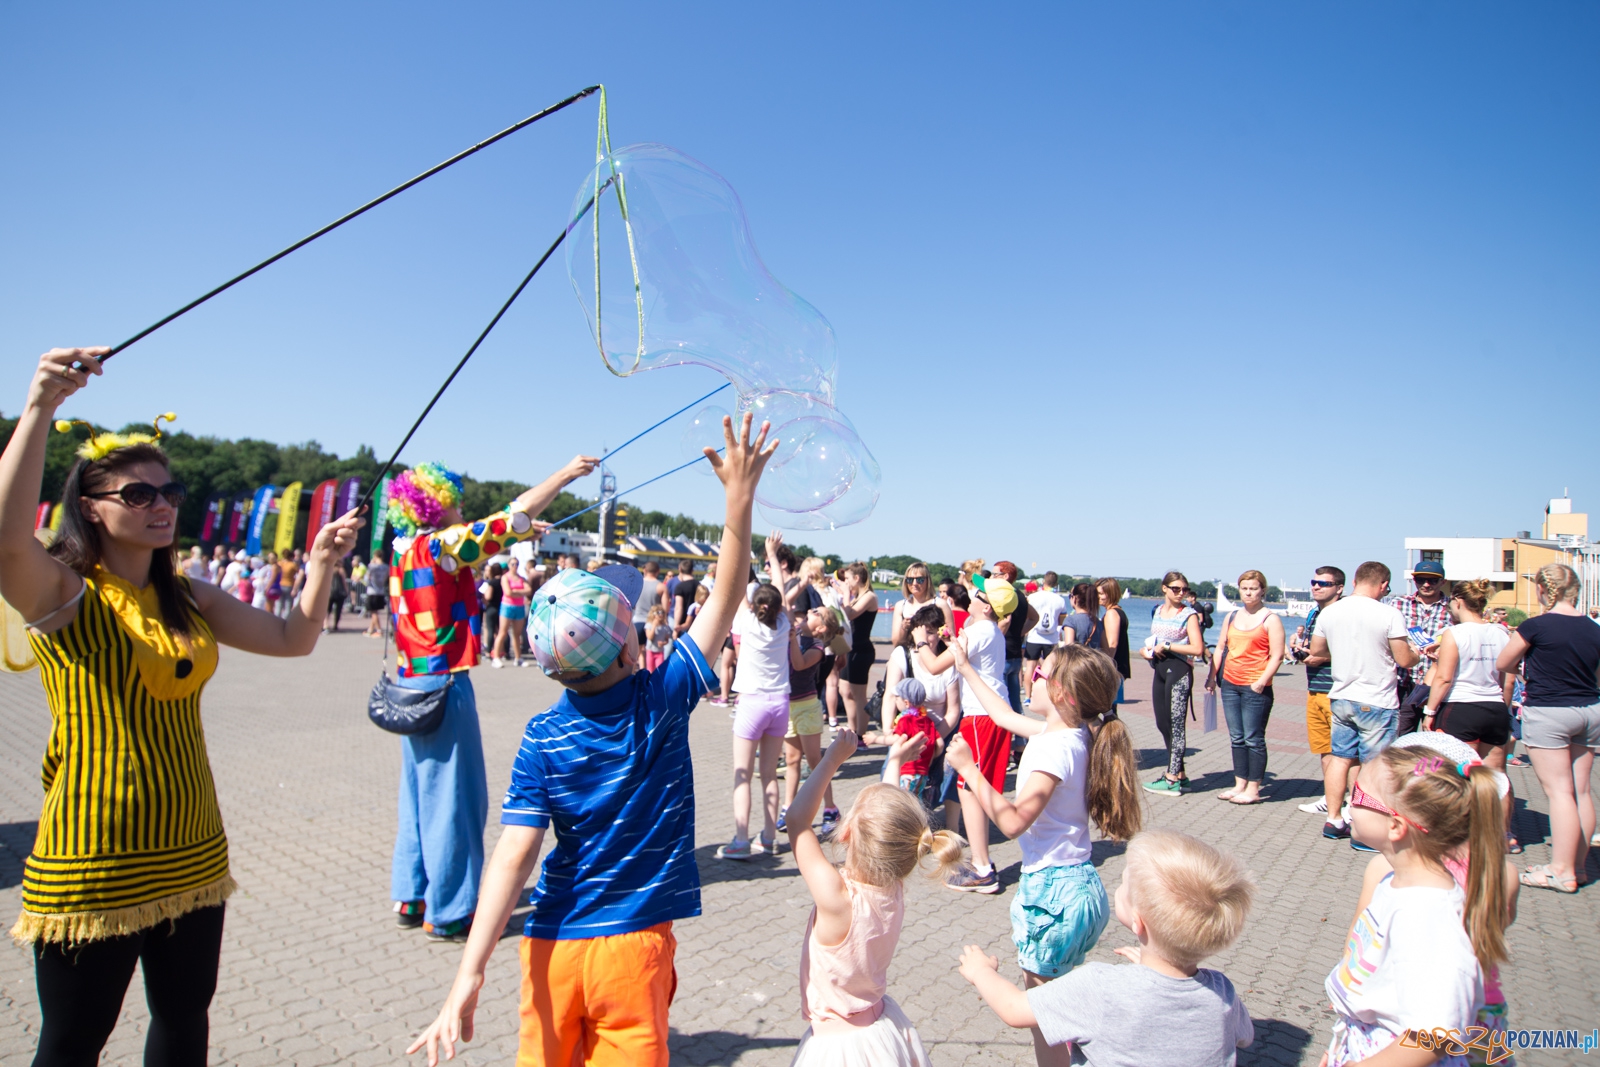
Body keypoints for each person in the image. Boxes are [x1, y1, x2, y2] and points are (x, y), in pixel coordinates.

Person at [0, 347, 362, 1065]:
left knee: (183, 1024)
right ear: (92, 509)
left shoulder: (189, 593)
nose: (161, 503)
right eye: (137, 495)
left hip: (192, 846)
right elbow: (7, 541)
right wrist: (40, 405)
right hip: (92, 857)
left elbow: (293, 639)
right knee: (72, 1041)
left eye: (168, 491)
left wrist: (320, 564)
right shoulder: (64, 593)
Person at [408, 413, 773, 1067]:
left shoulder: (541, 735)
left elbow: (513, 857)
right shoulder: (662, 699)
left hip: (549, 947)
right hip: (630, 950)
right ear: (632, 645)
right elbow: (728, 589)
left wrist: (469, 971)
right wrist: (738, 497)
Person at [385, 456, 590, 942]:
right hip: (444, 684)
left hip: (410, 683)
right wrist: (563, 476)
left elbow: (496, 535)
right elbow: (508, 518)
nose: (462, 511)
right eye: (455, 504)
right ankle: (452, 909)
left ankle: (413, 894)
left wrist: (516, 533)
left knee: (417, 795)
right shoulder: (439, 547)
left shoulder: (405, 550)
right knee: (454, 800)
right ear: (437, 509)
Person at [946, 643, 1142, 1067]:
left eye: (1041, 672)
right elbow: (1002, 716)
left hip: (1053, 893)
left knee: (1044, 1019)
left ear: (1063, 695)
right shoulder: (1071, 733)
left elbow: (1014, 821)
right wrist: (966, 669)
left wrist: (968, 770)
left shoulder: (1055, 749)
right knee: (1060, 1005)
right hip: (1078, 887)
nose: (1032, 673)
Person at [958, 830, 1254, 1067]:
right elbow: (1245, 1038)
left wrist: (981, 972)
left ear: (1138, 923)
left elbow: (1014, 1010)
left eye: (1124, 884)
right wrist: (1154, 971)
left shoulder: (1102, 987)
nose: (1118, 887)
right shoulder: (1222, 993)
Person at [785, 727, 962, 1066]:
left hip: (837, 1048)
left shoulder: (839, 899)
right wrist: (895, 758)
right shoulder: (892, 885)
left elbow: (797, 821)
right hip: (880, 1028)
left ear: (847, 831)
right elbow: (893, 822)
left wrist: (832, 758)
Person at [1321, 745, 1507, 1066]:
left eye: (1358, 797)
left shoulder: (1426, 912)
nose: (1349, 805)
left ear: (1396, 825)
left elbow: (1433, 1036)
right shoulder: (1394, 882)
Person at [1495, 562, 1600, 894]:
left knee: (1559, 793)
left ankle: (1560, 870)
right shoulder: (1594, 628)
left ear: (1542, 590)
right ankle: (1579, 867)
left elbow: (1504, 662)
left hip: (1550, 710)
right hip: (1590, 710)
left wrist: (1527, 674)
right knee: (1581, 790)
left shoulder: (1535, 626)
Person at [917, 572, 1018, 893]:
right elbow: (959, 651)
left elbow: (934, 666)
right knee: (969, 788)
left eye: (979, 594)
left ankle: (983, 867)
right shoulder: (987, 629)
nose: (972, 594)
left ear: (987, 607)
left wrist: (920, 640)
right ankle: (981, 863)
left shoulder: (982, 630)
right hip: (987, 714)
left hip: (981, 718)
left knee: (971, 788)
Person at [1307, 562, 1420, 846]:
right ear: (1383, 585)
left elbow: (1318, 650)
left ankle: (1334, 819)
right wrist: (1418, 652)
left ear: (1355, 580)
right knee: (1373, 766)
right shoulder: (1389, 613)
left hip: (1341, 695)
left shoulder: (1330, 612)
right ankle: (1364, 829)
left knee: (1340, 758)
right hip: (1376, 699)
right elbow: (1404, 659)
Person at [1423, 578, 1518, 849]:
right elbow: (1508, 680)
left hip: (1461, 707)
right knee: (1497, 774)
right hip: (1495, 707)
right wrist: (1504, 709)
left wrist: (1430, 711)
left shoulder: (1455, 633)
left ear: (1458, 602)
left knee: (1458, 773)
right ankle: (1504, 835)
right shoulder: (1501, 633)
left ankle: (1458, 834)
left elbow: (1443, 678)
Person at [718, 538, 795, 859]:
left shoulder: (746, 621)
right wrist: (772, 555)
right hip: (780, 704)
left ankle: (740, 840)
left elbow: (733, 587)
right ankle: (767, 837)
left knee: (742, 774)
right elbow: (777, 586)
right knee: (768, 775)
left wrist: (737, 547)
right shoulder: (784, 622)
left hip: (751, 703)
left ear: (753, 606)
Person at [1205, 570, 1285, 806]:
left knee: (1253, 738)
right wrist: (1212, 676)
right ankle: (1239, 783)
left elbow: (1277, 655)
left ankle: (1253, 788)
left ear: (1262, 591)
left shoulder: (1270, 619)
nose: (1248, 592)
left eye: (1253, 588)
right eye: (1244, 588)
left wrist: (1262, 681)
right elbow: (1220, 648)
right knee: (1237, 738)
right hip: (1230, 684)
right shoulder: (1232, 617)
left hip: (1255, 688)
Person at [1141, 572, 1206, 797]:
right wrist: (1147, 650)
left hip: (1178, 670)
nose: (1180, 593)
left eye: (1184, 589)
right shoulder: (1157, 610)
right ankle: (1181, 774)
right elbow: (1153, 640)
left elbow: (1197, 648)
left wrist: (1168, 645)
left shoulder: (1189, 615)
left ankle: (1171, 779)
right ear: (1165, 589)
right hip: (1159, 667)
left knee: (1176, 724)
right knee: (1163, 722)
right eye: (1176, 589)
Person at [780, 603, 843, 830]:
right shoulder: (795, 632)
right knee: (791, 760)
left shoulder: (817, 647)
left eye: (817, 614)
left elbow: (798, 664)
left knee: (815, 761)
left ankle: (830, 809)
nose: (811, 612)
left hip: (807, 707)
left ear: (821, 628)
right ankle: (788, 807)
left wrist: (791, 640)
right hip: (787, 706)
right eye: (812, 610)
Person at [1292, 567, 1345, 816]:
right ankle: (1330, 797)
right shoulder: (1314, 613)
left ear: (1339, 588)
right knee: (1323, 748)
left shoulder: (1343, 613)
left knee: (1344, 751)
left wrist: (1319, 658)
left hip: (1336, 689)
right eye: (1314, 582)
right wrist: (1299, 648)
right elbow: (1314, 647)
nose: (1316, 587)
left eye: (1323, 584)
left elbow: (1348, 648)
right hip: (1314, 687)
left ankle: (1352, 803)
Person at [1389, 559, 1453, 734]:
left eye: (1432, 580)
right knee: (1400, 738)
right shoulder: (1398, 604)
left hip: (1437, 684)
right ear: (1414, 580)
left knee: (1434, 738)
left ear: (1443, 582)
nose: (1426, 584)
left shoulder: (1452, 607)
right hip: (1404, 681)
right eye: (1421, 579)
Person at [993, 561, 1040, 715]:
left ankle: (1007, 737)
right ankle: (1020, 737)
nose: (992, 578)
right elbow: (1034, 617)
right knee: (1015, 701)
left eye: (995, 574)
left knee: (1002, 702)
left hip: (1003, 653)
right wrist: (1020, 631)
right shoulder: (1020, 595)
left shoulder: (1003, 596)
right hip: (1015, 654)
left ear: (1005, 576)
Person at [887, 678, 942, 797]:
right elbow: (940, 744)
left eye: (897, 698)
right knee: (917, 801)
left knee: (904, 801)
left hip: (907, 770)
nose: (895, 701)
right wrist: (930, 757)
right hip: (923, 772)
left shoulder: (905, 720)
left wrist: (875, 739)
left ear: (906, 703)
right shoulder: (928, 721)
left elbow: (896, 739)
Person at [890, 561, 947, 646]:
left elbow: (949, 638)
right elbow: (896, 643)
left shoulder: (940, 604)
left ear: (928, 581)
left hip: (933, 655)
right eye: (910, 580)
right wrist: (904, 627)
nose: (914, 583)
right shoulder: (901, 606)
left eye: (920, 580)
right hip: (909, 655)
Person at [1024, 572, 1068, 680]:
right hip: (1052, 638)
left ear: (1043, 581)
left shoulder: (1032, 597)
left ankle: (1028, 694)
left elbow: (1026, 616)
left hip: (1034, 636)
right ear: (1056, 583)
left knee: (1030, 666)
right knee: (1052, 667)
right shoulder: (1060, 600)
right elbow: (1062, 621)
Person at [491, 559, 530, 668]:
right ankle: (496, 657)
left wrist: (515, 592)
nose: (515, 566)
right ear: (509, 565)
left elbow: (528, 590)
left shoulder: (521, 578)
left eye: (517, 564)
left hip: (519, 607)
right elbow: (508, 592)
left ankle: (518, 658)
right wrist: (519, 592)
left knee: (517, 634)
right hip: (507, 607)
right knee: (502, 633)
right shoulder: (505, 577)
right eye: (513, 564)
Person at [1060, 582, 1102, 648]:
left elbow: (1069, 648)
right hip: (1096, 658)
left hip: (1078, 658)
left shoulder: (1071, 620)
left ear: (1075, 599)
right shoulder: (1098, 622)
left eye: (1070, 596)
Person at [634, 560, 663, 645]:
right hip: (654, 622)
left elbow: (632, 604)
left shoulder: (637, 584)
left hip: (638, 620)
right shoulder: (661, 587)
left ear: (645, 570)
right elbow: (665, 609)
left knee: (638, 652)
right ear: (657, 571)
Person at [478, 561, 504, 655]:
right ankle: (504, 651)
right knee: (502, 630)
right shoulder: (504, 581)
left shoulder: (492, 582)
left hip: (492, 607)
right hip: (502, 607)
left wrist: (484, 599)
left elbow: (488, 596)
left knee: (491, 630)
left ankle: (489, 651)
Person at [363, 552, 389, 638]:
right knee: (375, 611)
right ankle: (370, 630)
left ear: (375, 556)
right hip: (381, 591)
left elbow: (367, 578)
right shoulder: (386, 567)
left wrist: (371, 563)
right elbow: (386, 579)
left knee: (373, 612)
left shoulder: (371, 567)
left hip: (372, 591)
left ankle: (379, 630)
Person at [644, 604, 673, 672]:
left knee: (659, 671)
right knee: (650, 670)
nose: (661, 614)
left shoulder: (665, 627)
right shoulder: (649, 625)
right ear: (653, 614)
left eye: (662, 612)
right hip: (650, 651)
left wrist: (663, 643)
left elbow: (667, 640)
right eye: (658, 612)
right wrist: (654, 626)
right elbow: (650, 637)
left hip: (659, 652)